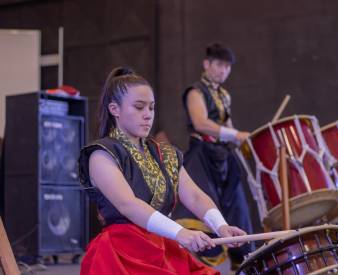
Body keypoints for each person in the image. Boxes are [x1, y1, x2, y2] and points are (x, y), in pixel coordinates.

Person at [78, 67, 246, 275]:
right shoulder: (101, 155)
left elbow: (193, 195)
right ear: (115, 109)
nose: (148, 115)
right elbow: (128, 204)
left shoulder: (166, 154)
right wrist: (180, 233)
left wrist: (221, 226)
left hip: (163, 247)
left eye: (151, 107)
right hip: (122, 254)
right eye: (139, 107)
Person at [172, 43, 254, 269]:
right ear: (206, 64)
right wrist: (236, 134)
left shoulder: (224, 95)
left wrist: (239, 140)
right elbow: (201, 123)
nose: (223, 70)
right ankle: (196, 269)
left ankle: (242, 266)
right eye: (219, 64)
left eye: (227, 67)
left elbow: (227, 127)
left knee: (237, 210)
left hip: (223, 158)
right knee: (198, 213)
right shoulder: (195, 91)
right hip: (202, 157)